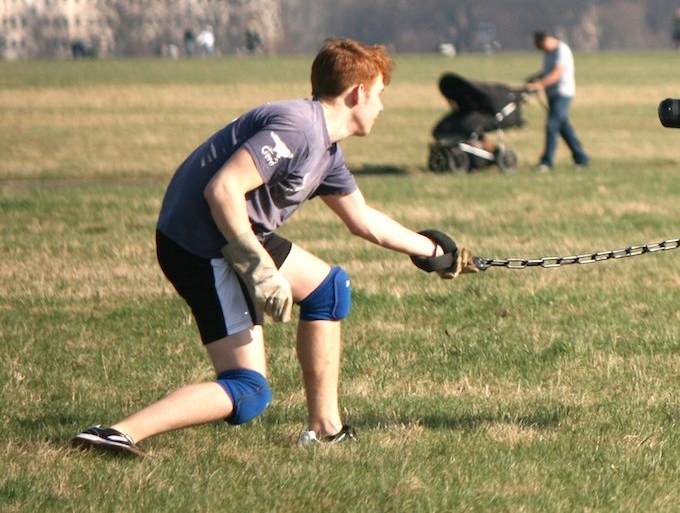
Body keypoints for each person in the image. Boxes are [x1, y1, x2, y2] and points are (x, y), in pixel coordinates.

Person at [71, 38, 475, 457]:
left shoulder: (326, 149)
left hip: (235, 236)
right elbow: (223, 189)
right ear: (357, 94)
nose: (381, 107)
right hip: (200, 245)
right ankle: (115, 433)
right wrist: (260, 270)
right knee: (249, 391)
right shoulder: (297, 127)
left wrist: (433, 250)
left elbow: (363, 219)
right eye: (379, 95)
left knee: (327, 289)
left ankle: (324, 430)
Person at [525, 30, 589, 172]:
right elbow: (548, 72)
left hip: (563, 94)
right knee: (564, 128)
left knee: (552, 125)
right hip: (552, 94)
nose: (539, 50)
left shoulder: (562, 51)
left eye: (539, 46)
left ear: (544, 41)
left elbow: (556, 74)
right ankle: (581, 158)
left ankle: (547, 162)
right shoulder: (549, 53)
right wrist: (535, 77)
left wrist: (539, 84)